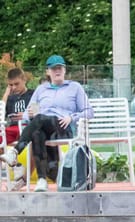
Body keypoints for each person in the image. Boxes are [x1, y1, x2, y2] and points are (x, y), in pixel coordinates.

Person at [1, 55, 94, 192]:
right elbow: (28, 113)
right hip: (44, 126)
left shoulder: (74, 87)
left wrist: (72, 117)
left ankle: (15, 152)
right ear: (48, 72)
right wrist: (29, 114)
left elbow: (89, 112)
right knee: (37, 133)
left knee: (39, 119)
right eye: (54, 69)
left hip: (63, 126)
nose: (57, 71)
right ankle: (42, 180)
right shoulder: (41, 89)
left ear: (64, 70)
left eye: (60, 68)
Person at [2, 68, 34, 146]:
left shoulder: (33, 94)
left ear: (24, 80)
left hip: (28, 126)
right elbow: (1, 113)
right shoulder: (10, 98)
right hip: (12, 128)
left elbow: (36, 112)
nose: (14, 87)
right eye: (11, 85)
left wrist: (25, 115)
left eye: (16, 84)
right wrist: (6, 94)